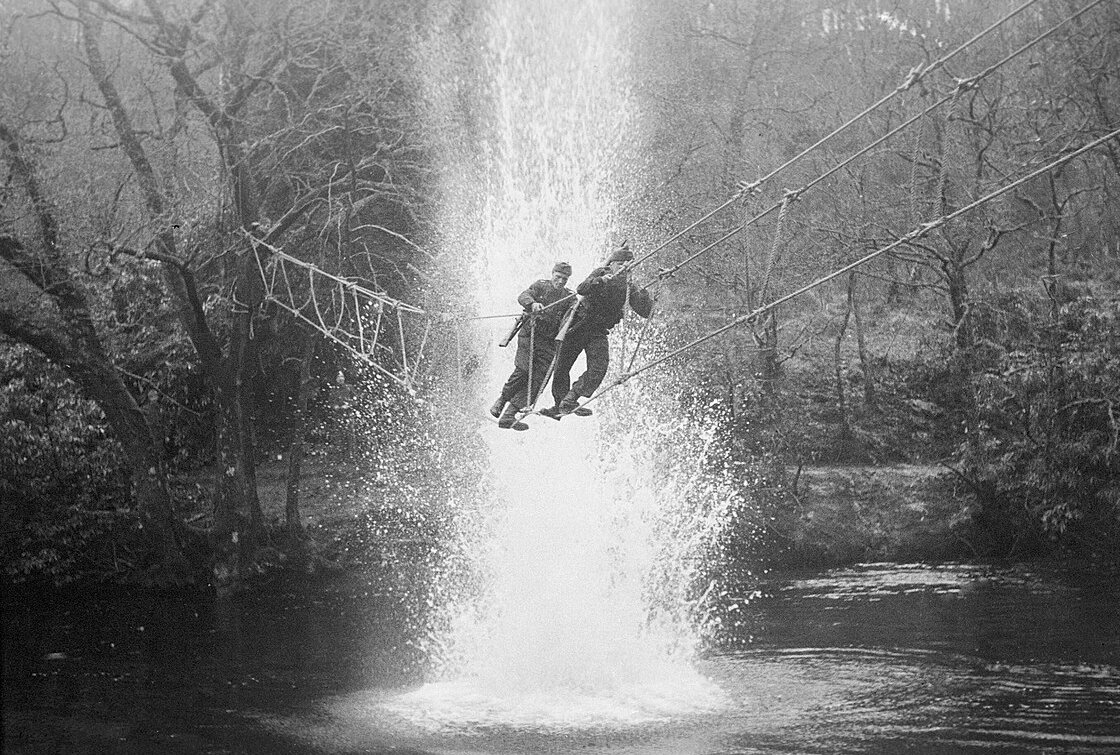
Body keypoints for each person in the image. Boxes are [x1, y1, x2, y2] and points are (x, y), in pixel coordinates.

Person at [541, 241, 652, 419]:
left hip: (597, 331)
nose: (625, 268)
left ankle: (571, 398)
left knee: (599, 367)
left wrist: (648, 293)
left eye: (628, 265)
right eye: (621, 264)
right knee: (562, 366)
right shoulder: (601, 273)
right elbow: (581, 289)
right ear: (613, 264)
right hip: (578, 325)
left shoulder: (630, 286)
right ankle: (559, 403)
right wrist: (600, 281)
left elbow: (645, 311)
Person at [490, 261, 576, 430]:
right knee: (523, 370)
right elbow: (523, 296)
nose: (560, 282)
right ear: (552, 274)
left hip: (549, 342)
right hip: (530, 334)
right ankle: (502, 399)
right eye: (558, 277)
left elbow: (574, 310)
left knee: (538, 381)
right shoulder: (540, 286)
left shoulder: (569, 296)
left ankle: (508, 415)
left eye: (564, 279)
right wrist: (532, 304)